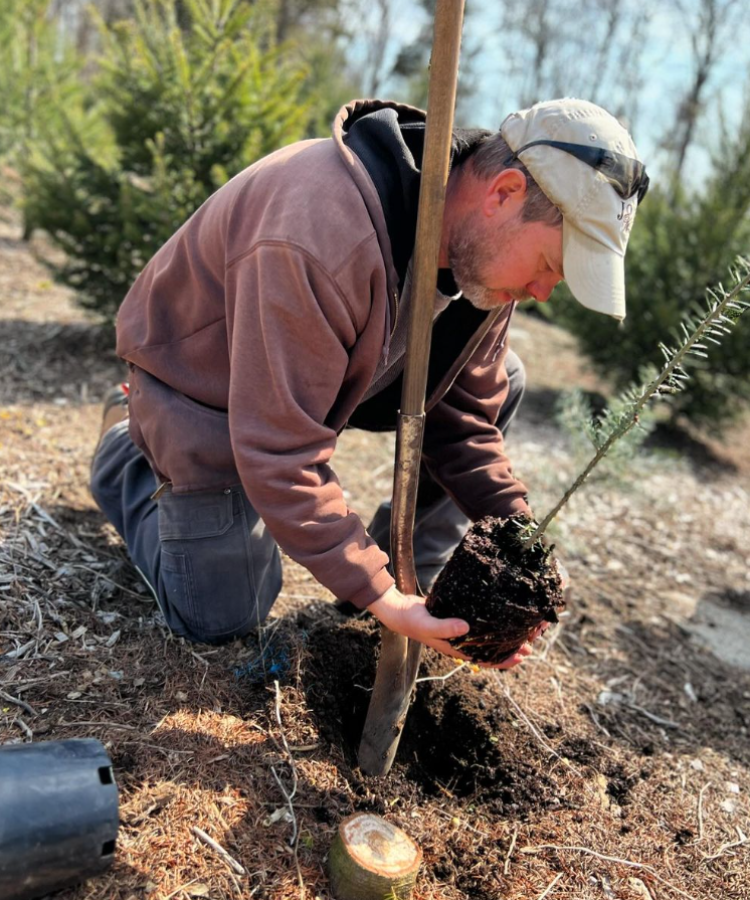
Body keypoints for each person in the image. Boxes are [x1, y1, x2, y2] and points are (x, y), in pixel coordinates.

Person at [90, 97, 647, 668]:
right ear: (502, 194)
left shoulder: (482, 255)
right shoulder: (318, 229)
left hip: (322, 376)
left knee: (507, 375)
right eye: (551, 266)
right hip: (206, 386)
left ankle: (412, 565)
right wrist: (379, 594)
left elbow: (464, 421)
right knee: (224, 615)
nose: (543, 292)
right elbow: (280, 447)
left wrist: (517, 531)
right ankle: (127, 444)